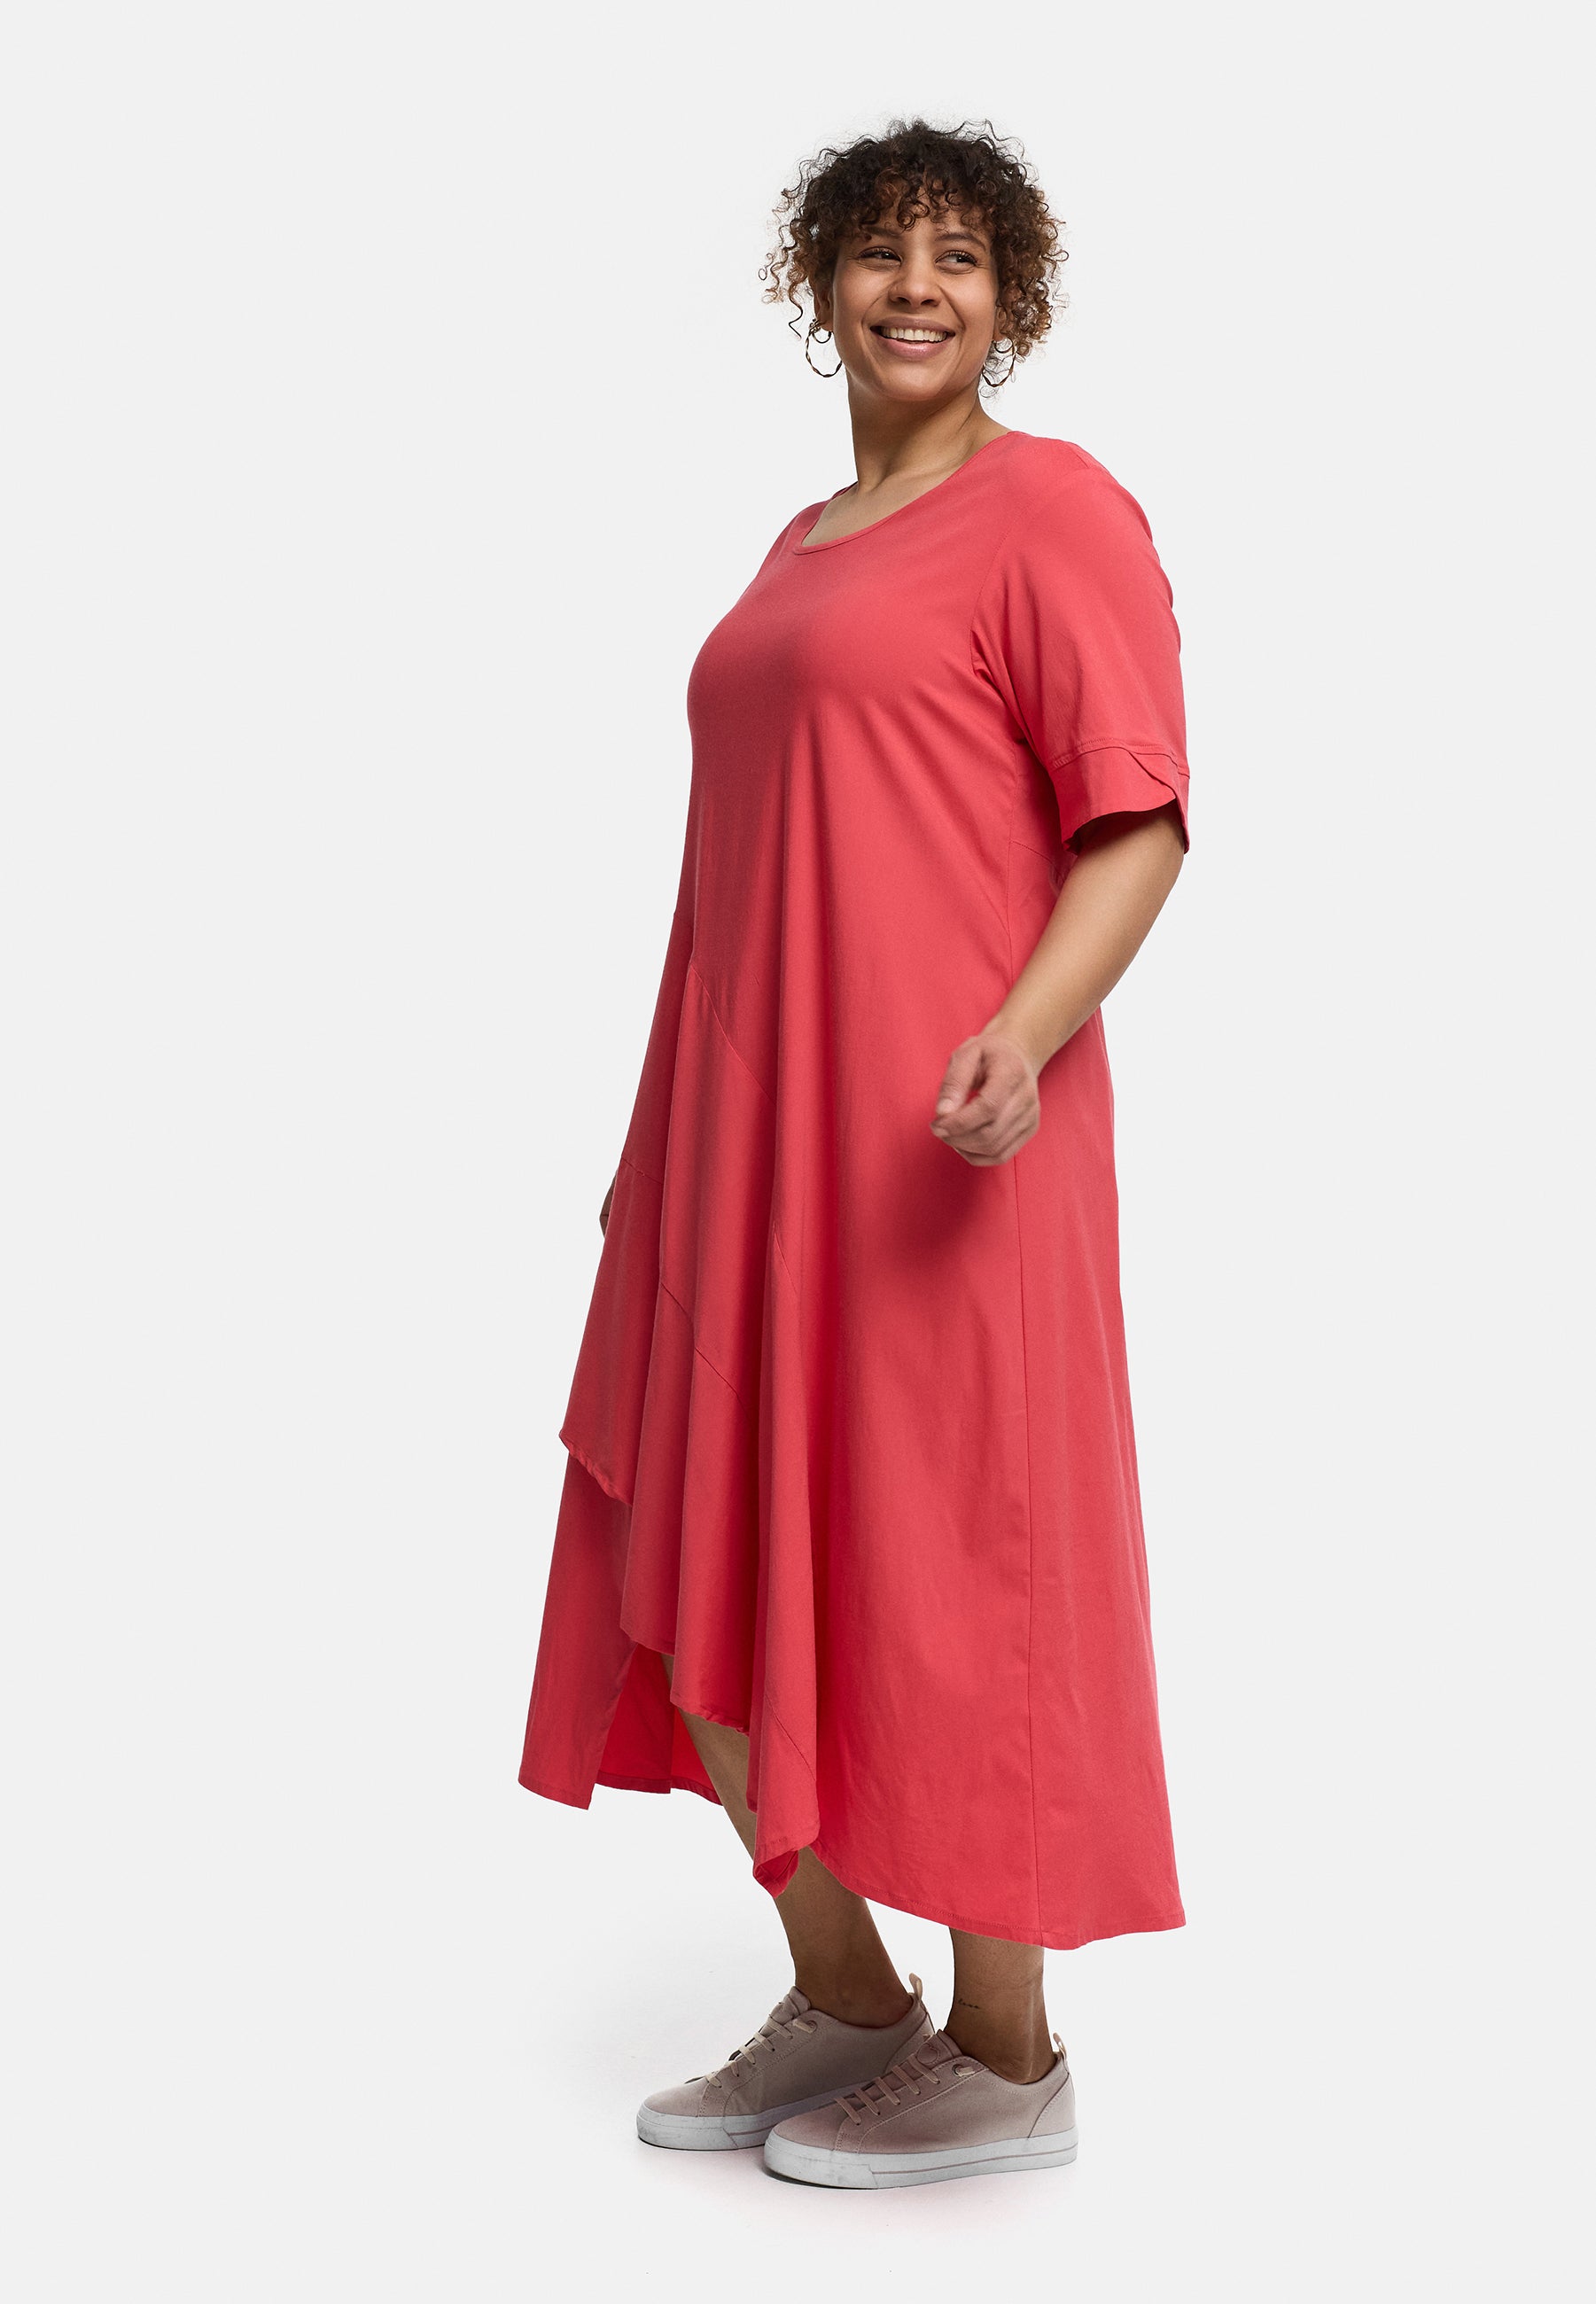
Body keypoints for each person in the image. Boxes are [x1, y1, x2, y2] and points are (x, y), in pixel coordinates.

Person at [519, 116, 1191, 2191]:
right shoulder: (802, 540)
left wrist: (1026, 1028)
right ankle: (847, 1993)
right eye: (880, 252)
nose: (917, 285)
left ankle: (1009, 2053)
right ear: (817, 290)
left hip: (951, 1144)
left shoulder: (1050, 511)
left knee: (956, 1558)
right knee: (684, 1538)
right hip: (744, 1139)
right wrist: (661, 1141)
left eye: (959, 257)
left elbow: (1137, 819)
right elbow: (751, 867)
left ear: (1012, 298)